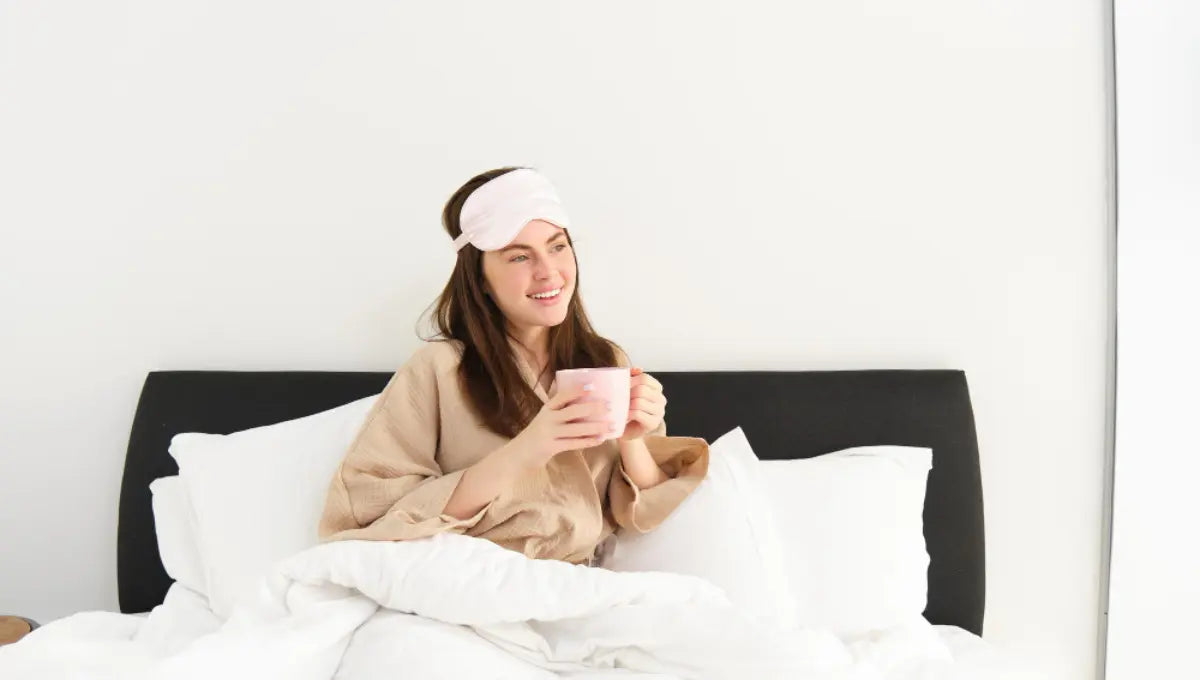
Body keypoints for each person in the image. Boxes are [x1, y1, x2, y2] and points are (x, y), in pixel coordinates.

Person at [317, 166, 709, 566]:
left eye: (557, 246)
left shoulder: (606, 362)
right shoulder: (439, 369)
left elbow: (641, 515)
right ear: (481, 279)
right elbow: (368, 512)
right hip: (467, 577)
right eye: (519, 256)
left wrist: (632, 440)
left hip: (574, 585)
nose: (548, 271)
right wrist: (530, 447)